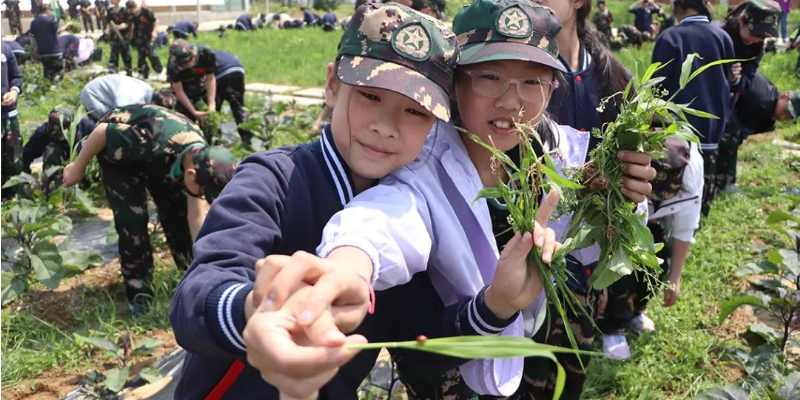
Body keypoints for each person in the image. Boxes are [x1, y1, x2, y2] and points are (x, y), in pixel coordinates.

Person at [245, 1, 654, 399]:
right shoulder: (424, 167)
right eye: (489, 77)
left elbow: (591, 237)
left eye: (532, 81)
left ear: (551, 89)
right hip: (449, 359)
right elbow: (382, 222)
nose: (512, 101)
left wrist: (619, 199)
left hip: (539, 335)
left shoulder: (557, 150)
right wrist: (344, 271)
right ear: (454, 86)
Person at [168, 3, 460, 399]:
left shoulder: (409, 218)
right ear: (332, 85)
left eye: (415, 111)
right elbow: (197, 293)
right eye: (371, 95)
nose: (386, 126)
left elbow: (422, 339)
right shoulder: (273, 179)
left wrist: (497, 304)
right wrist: (254, 309)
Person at [602, 0, 735, 349]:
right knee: (620, 261)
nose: (657, 190)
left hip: (690, 138)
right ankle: (611, 325)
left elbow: (686, 230)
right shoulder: (628, 166)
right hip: (625, 211)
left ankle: (636, 310)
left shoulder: (691, 174)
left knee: (656, 258)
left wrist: (674, 279)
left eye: (665, 186)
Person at [535, 0, 643, 387]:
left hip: (591, 245)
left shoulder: (611, 75)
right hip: (533, 245)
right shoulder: (522, 68)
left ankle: (611, 322)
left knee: (570, 368)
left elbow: (641, 150)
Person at [63, 104, 236, 314]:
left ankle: (191, 277)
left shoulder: (203, 159)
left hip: (159, 159)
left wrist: (205, 261)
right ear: (190, 175)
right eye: (202, 192)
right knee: (132, 222)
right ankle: (139, 294)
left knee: (178, 215)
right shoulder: (153, 141)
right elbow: (102, 132)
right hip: (120, 154)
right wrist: (77, 168)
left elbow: (196, 214)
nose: (201, 197)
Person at [714, 0, 780, 204]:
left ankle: (724, 184)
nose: (756, 39)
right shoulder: (718, 33)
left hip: (728, 98)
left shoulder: (756, 48)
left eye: (762, 35)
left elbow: (747, 82)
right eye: (754, 32)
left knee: (731, 132)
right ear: (741, 20)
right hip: (704, 94)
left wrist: (736, 80)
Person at [22, 106, 96, 175]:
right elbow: (26, 155)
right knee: (52, 150)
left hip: (84, 165)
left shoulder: (87, 127)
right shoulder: (42, 133)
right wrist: (25, 180)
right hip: (58, 165)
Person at [167, 40, 217, 126]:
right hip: (184, 91)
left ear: (193, 56)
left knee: (209, 122)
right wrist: (194, 112)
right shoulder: (173, 64)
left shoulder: (206, 53)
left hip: (201, 86)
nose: (184, 67)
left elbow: (210, 78)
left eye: (185, 64)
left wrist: (211, 104)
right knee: (185, 123)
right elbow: (179, 90)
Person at [213, 50, 254, 145]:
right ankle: (247, 138)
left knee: (214, 108)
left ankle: (215, 140)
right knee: (238, 105)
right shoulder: (214, 52)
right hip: (238, 69)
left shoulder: (200, 57)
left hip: (222, 73)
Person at [2, 40, 23, 201]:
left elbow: (16, 77)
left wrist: (14, 92)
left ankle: (13, 197)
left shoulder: (5, 48)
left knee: (13, 159)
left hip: (9, 116)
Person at [30, 4, 72, 81]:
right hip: (54, 51)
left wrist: (34, 50)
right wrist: (67, 24)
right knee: (58, 71)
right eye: (50, 10)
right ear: (47, 10)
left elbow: (32, 38)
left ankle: (47, 87)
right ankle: (56, 88)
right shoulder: (51, 20)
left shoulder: (34, 22)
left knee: (47, 71)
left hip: (42, 52)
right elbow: (58, 31)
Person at [126, 0, 162, 79]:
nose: (131, 12)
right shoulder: (132, 15)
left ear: (135, 7)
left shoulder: (146, 12)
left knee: (152, 54)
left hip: (148, 37)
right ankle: (143, 72)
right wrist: (130, 37)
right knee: (141, 56)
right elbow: (132, 25)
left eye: (131, 10)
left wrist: (154, 31)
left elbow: (156, 20)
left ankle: (158, 71)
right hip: (139, 38)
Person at [106, 0, 132, 76]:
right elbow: (109, 22)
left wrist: (119, 27)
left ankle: (128, 70)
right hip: (114, 36)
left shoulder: (124, 10)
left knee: (125, 53)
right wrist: (108, 31)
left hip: (123, 36)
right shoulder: (110, 10)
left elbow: (127, 23)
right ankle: (113, 70)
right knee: (114, 53)